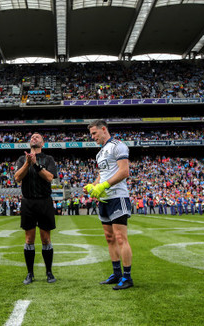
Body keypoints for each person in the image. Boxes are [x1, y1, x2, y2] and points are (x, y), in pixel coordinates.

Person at [83, 120, 134, 290]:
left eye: (94, 133)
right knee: (109, 238)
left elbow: (124, 171)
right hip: (104, 200)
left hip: (117, 197)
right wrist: (94, 186)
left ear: (103, 129)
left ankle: (127, 277)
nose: (92, 137)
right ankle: (117, 273)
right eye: (91, 134)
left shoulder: (118, 146)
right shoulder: (100, 153)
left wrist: (104, 186)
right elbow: (102, 174)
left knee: (120, 237)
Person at [14, 132, 58, 285]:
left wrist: (36, 164)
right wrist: (27, 163)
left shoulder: (49, 159)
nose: (34, 138)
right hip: (28, 202)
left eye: (37, 137)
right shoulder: (21, 159)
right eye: (32, 137)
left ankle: (49, 272)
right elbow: (17, 177)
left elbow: (50, 177)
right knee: (29, 239)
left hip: (44, 201)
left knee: (46, 239)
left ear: (43, 143)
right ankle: (30, 273)